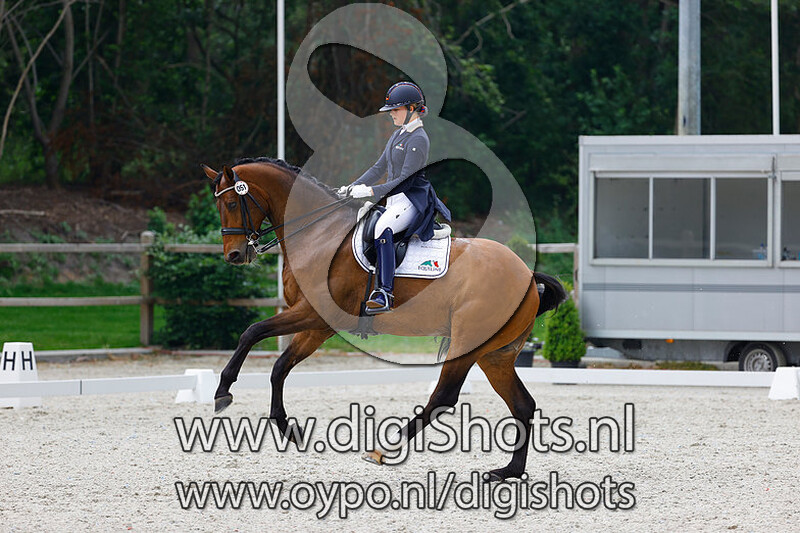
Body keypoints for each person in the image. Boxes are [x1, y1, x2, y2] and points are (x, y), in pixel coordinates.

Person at [338, 81, 451, 314]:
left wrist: (369, 192)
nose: (391, 114)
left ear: (411, 109)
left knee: (382, 228)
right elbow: (378, 168)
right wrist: (352, 187)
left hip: (412, 199)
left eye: (395, 110)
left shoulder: (418, 138)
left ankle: (384, 293)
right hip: (394, 199)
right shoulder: (398, 135)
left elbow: (405, 181)